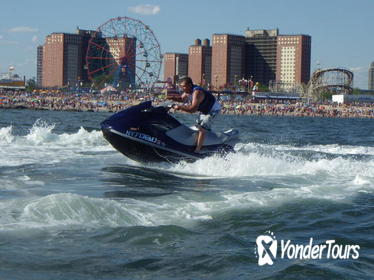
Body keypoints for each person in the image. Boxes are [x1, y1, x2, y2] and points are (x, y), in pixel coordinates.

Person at [167, 76, 221, 153]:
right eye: (181, 86)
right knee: (198, 127)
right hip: (204, 111)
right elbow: (182, 99)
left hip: (214, 111)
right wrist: (170, 97)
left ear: (189, 85)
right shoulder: (187, 91)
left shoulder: (197, 92)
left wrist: (179, 107)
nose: (182, 88)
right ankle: (207, 142)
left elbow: (193, 110)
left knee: (202, 129)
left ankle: (197, 150)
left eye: (183, 86)